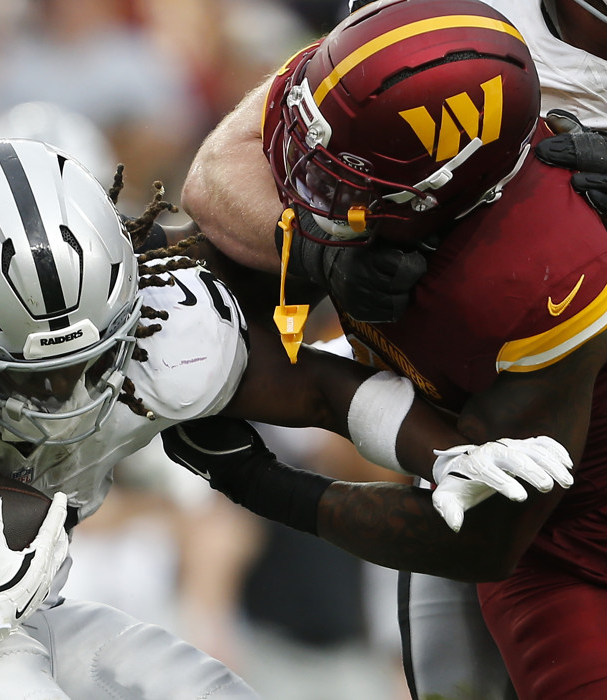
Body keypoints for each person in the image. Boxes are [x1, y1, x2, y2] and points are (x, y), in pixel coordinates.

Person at [0, 137, 569, 699]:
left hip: (27, 613)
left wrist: (445, 452)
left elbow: (323, 391)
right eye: (32, 373)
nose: (63, 398)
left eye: (86, 362)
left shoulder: (175, 331)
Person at [172, 1, 607, 698]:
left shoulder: (539, 268)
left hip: (560, 512)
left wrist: (260, 482)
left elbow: (490, 532)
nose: (303, 182)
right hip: (479, 442)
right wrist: (316, 251)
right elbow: (226, 168)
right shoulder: (427, 33)